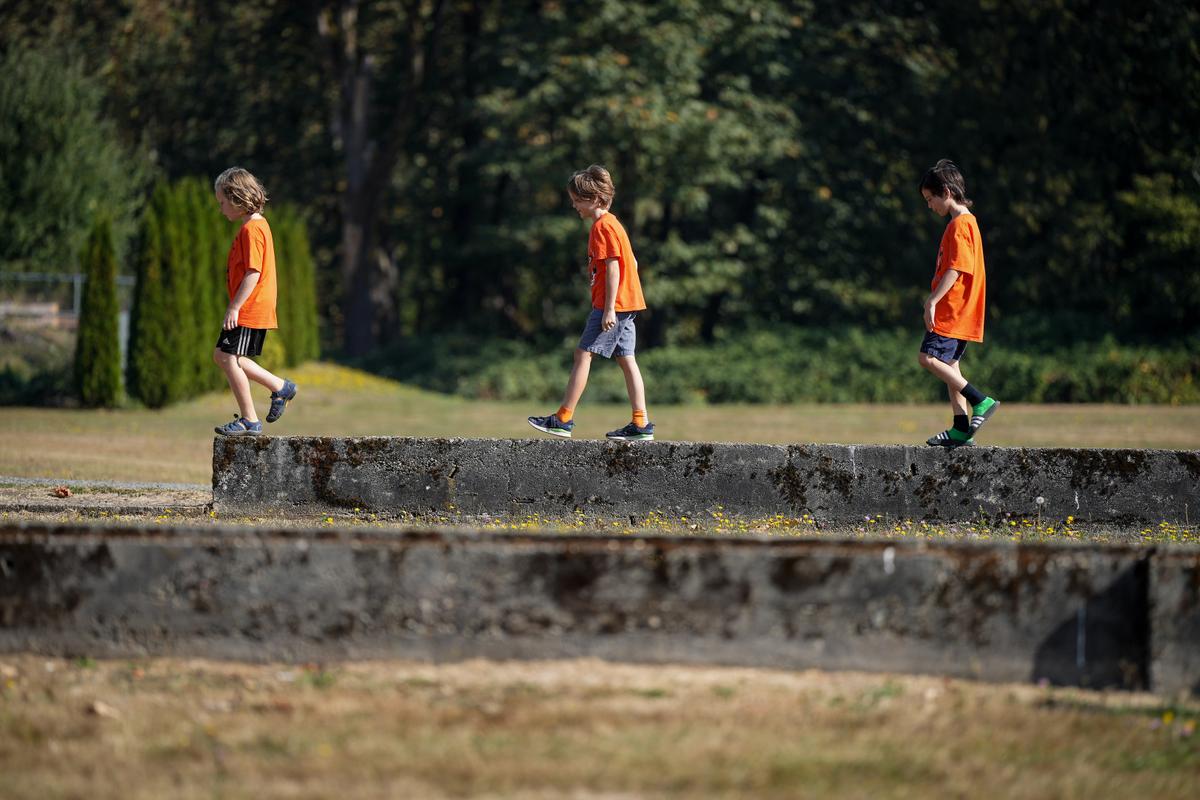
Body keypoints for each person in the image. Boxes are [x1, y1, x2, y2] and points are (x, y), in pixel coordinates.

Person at [528, 164, 653, 441]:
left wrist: (608, 308)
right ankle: (640, 423)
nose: (574, 206)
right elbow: (631, 260)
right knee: (627, 359)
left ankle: (563, 419)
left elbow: (614, 268)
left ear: (595, 198)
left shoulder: (601, 227)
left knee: (583, 354)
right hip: (628, 303)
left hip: (614, 305)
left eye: (577, 200)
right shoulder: (615, 224)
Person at [917, 159, 999, 448]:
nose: (930, 206)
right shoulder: (968, 223)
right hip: (962, 311)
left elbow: (956, 268)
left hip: (953, 309)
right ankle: (960, 429)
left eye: (931, 199)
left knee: (928, 358)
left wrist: (932, 302)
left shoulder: (959, 224)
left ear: (947, 193)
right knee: (950, 366)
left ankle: (981, 400)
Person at [211, 167, 297, 436]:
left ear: (237, 198)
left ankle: (249, 420)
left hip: (250, 307)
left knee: (226, 357)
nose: (221, 209)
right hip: (252, 307)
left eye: (222, 202)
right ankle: (280, 387)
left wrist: (234, 307)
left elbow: (253, 272)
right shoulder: (254, 226)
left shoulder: (252, 229)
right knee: (226, 356)